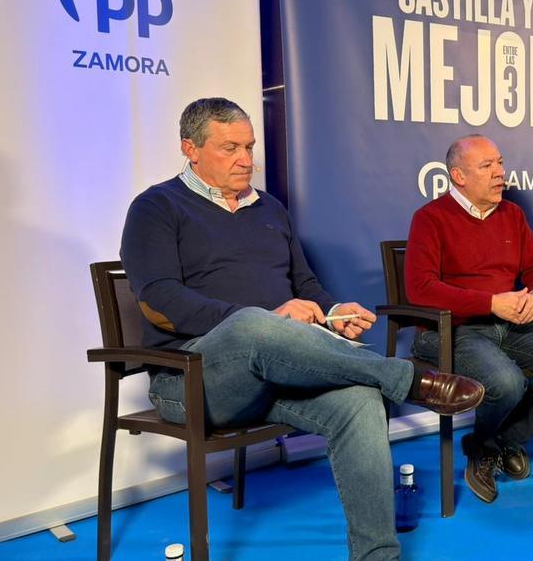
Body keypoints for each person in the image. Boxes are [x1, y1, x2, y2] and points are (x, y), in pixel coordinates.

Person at [120, 98, 484, 561]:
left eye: (249, 146)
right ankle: (407, 377)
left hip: (275, 374)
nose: (246, 159)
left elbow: (304, 284)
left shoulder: (269, 207)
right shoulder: (156, 207)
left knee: (359, 400)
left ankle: (377, 555)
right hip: (193, 379)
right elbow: (159, 301)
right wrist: (269, 319)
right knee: (252, 321)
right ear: (190, 149)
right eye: (230, 147)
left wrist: (333, 312)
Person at [404, 134, 533, 504]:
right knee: (506, 382)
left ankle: (495, 442)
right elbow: (420, 289)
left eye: (500, 163)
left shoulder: (512, 215)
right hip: (453, 329)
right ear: (458, 176)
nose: (500, 173)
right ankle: (487, 450)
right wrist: (490, 303)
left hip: (512, 323)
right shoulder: (430, 219)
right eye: (487, 166)